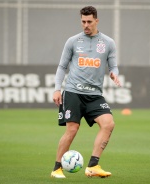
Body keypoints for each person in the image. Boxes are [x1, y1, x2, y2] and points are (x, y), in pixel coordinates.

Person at [50, 6, 121, 179]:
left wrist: (114, 74)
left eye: (89, 21)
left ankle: (93, 166)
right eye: (83, 21)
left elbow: (114, 66)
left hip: (95, 95)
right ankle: (57, 168)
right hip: (73, 92)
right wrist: (57, 89)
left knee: (108, 124)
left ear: (97, 20)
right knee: (72, 129)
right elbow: (62, 66)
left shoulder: (108, 43)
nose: (86, 25)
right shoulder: (73, 41)